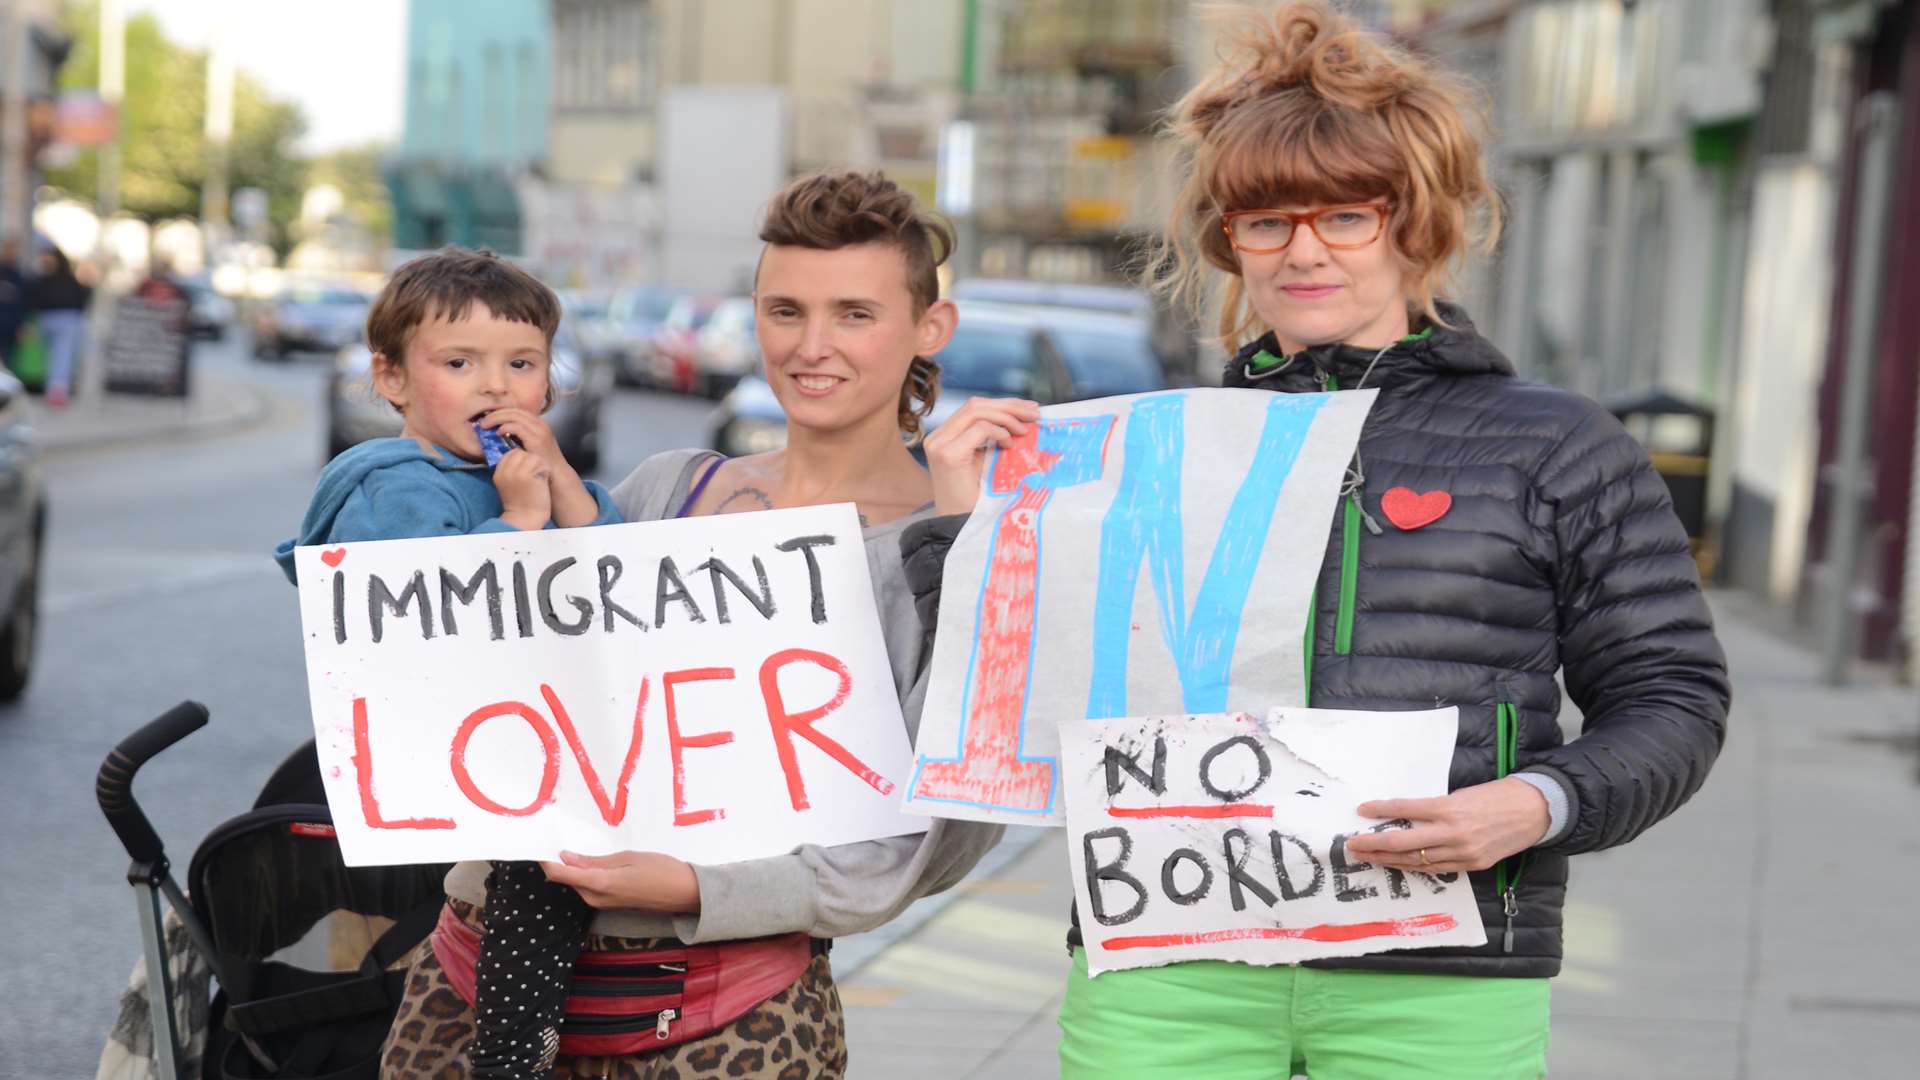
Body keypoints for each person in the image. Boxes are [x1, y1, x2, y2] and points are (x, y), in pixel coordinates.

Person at [910, 4, 1731, 1077]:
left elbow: (1674, 696)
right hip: (1168, 958)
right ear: (1230, 241)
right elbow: (986, 709)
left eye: (1346, 216)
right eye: (1267, 222)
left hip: (1439, 972)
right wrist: (963, 533)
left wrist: (1536, 805)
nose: (1303, 251)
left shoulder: (1554, 444)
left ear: (1417, 224)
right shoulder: (1141, 458)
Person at [378, 170, 1004, 1079]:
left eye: (855, 314)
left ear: (928, 329)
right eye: (785, 310)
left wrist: (696, 887)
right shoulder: (668, 488)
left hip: (724, 1018)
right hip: (476, 977)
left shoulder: (947, 547)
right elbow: (492, 682)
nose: (813, 345)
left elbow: (937, 836)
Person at [273, 246, 620, 1078]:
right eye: (460, 363)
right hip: (439, 770)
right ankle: (510, 1055)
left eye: (522, 364)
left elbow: (620, 575)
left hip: (517, 748)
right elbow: (435, 617)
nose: (496, 386)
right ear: (391, 379)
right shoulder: (393, 486)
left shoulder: (518, 475)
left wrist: (563, 487)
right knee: (459, 943)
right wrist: (521, 521)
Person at [29, 246, 91, 407]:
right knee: (52, 356)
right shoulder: (43, 278)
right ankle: (53, 388)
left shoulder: (64, 279)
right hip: (49, 318)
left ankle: (57, 390)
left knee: (61, 356)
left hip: (66, 319)